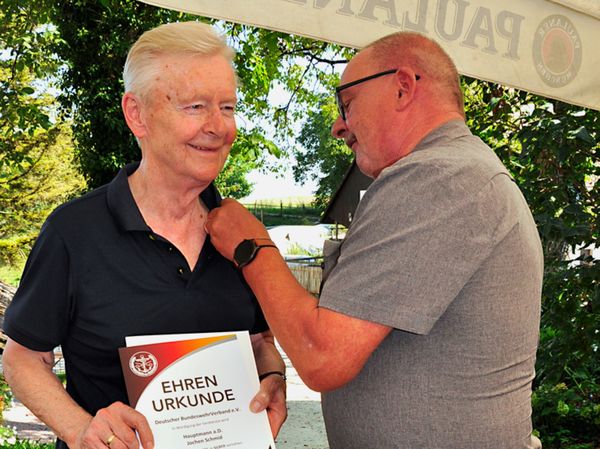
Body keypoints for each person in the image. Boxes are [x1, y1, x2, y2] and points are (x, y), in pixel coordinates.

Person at [205, 31, 543, 449]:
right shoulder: (464, 172)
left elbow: (322, 355)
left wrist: (250, 245)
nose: (337, 126)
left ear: (403, 87)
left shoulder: (436, 176)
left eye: (347, 103)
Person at [2, 21, 286, 449]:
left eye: (227, 107)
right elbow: (23, 357)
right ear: (136, 114)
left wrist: (273, 377)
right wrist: (81, 430)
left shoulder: (241, 233)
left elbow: (258, 339)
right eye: (195, 106)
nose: (218, 126)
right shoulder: (73, 231)